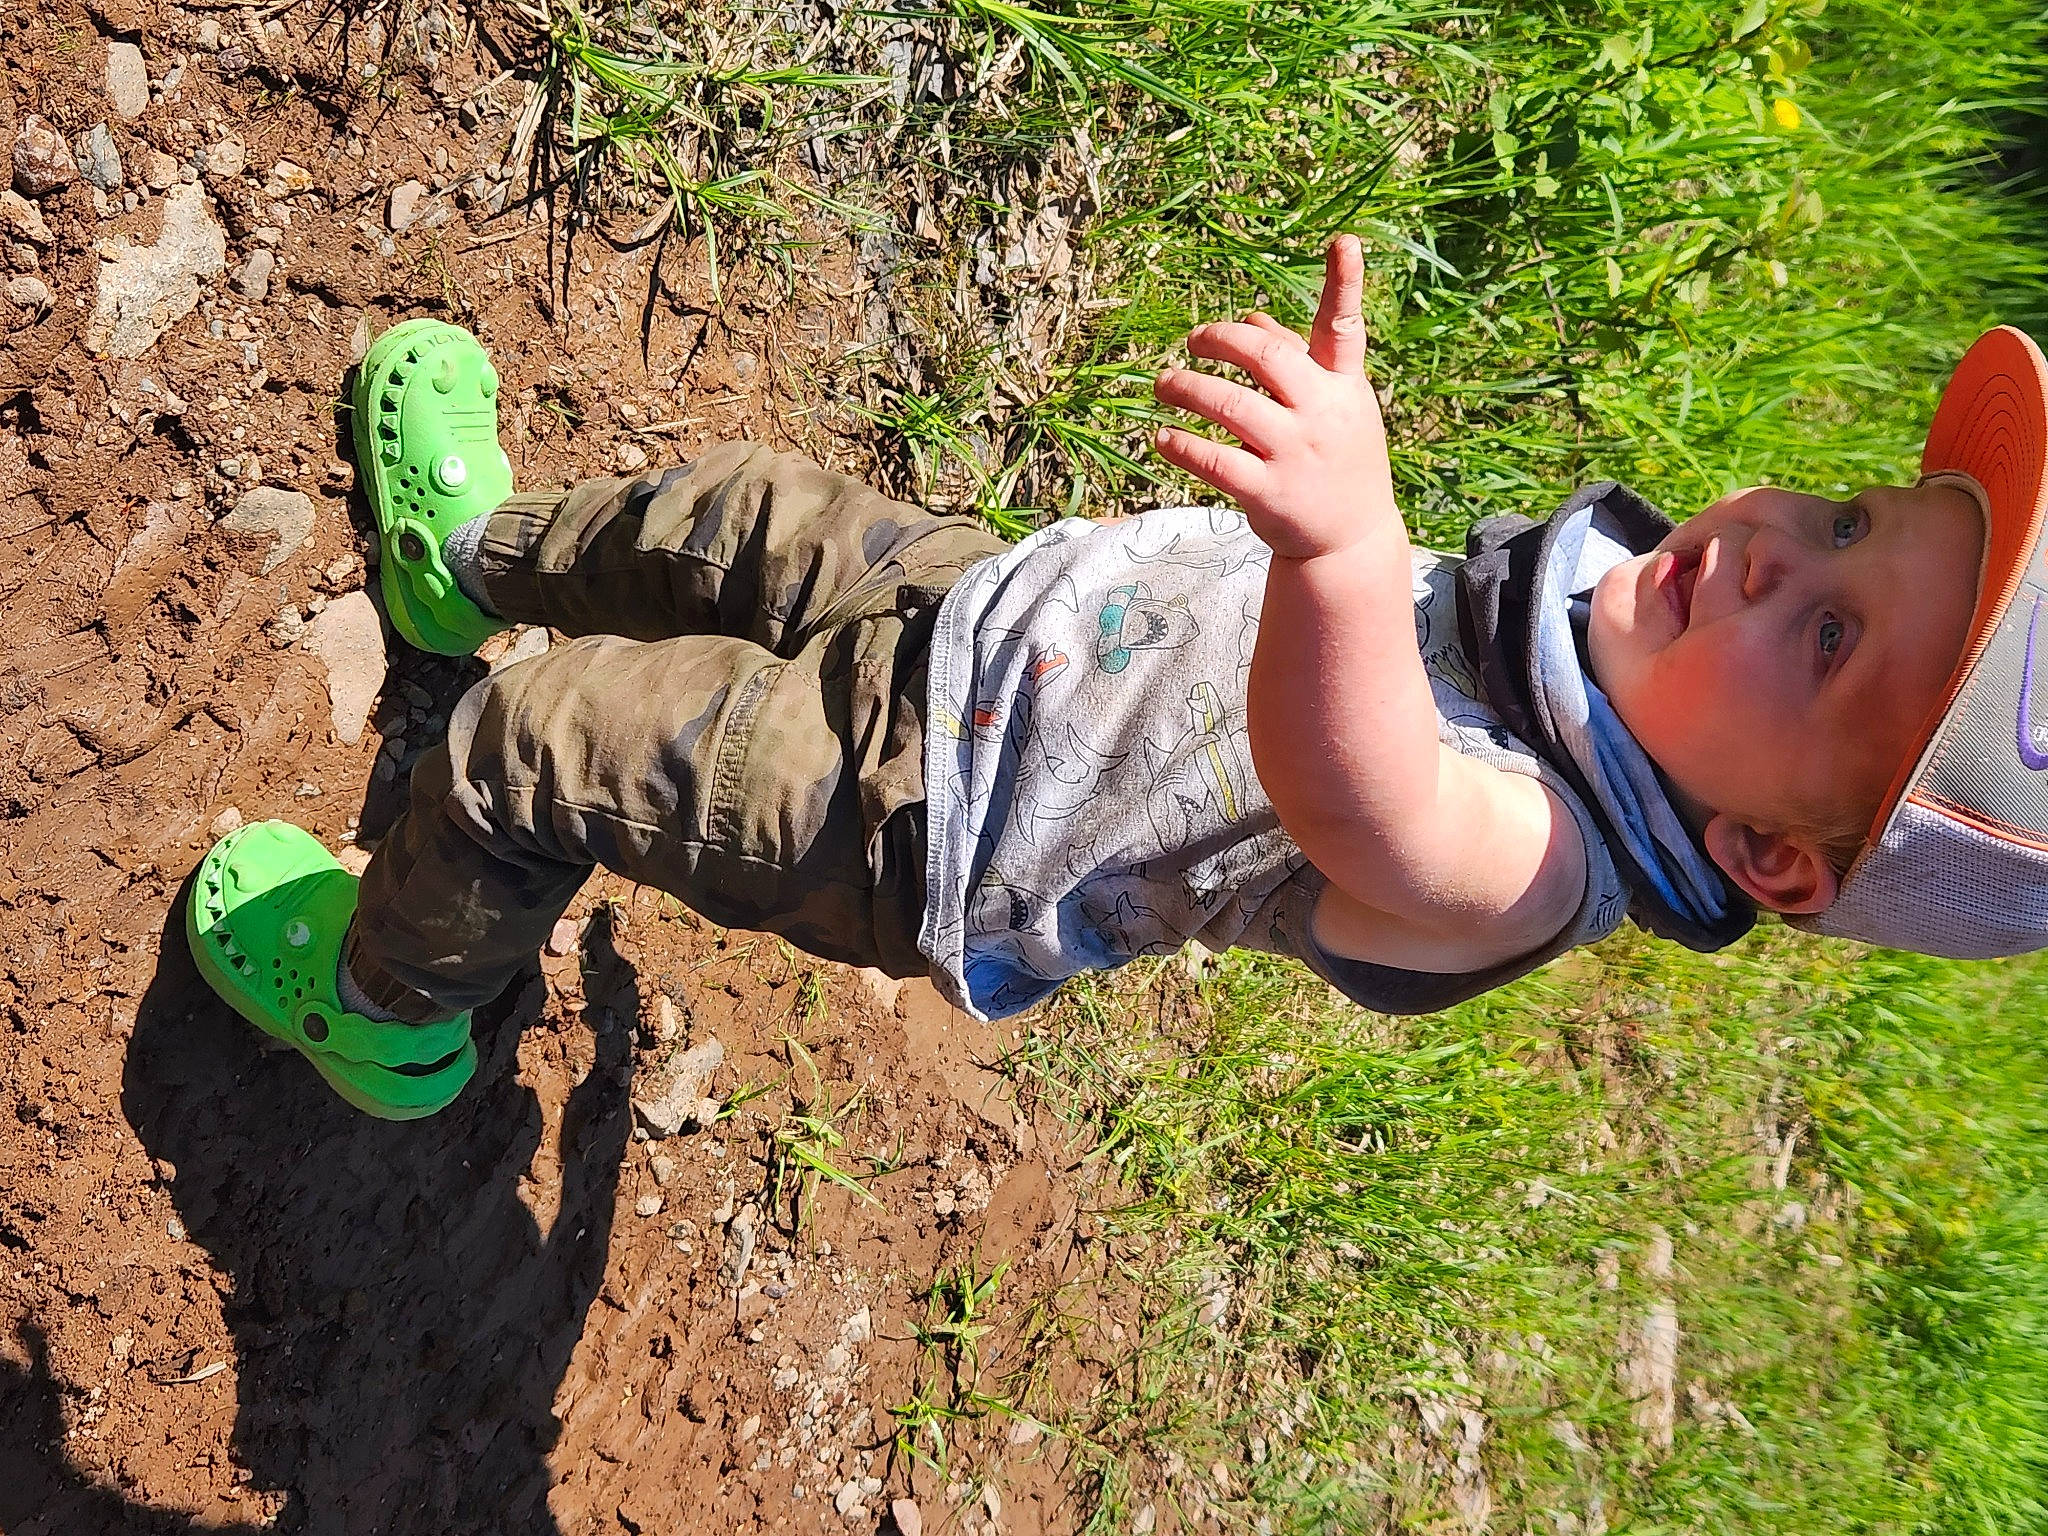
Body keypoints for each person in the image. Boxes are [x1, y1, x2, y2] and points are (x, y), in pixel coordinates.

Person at [185, 238, 2048, 1120]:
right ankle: (472, 565)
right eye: (1850, 512)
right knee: (722, 516)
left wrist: (1334, 543)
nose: (1782, 547)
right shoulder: (1568, 636)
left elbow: (1364, 789)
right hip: (975, 616)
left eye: (1827, 635)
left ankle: (391, 1006)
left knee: (548, 741)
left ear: (1769, 858)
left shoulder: (1532, 864)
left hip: (915, 820)